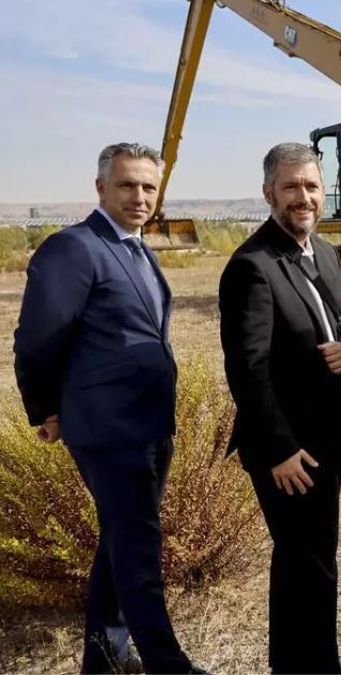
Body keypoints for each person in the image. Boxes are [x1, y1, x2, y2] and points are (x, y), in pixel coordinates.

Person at [13, 142, 203, 674]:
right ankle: (169, 666)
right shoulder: (74, 248)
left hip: (147, 424)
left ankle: (103, 658)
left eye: (148, 186)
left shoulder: (138, 250)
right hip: (109, 429)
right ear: (100, 187)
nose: (139, 196)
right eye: (126, 185)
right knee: (139, 551)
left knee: (120, 542)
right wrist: (45, 408)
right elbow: (36, 341)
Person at [219, 142, 341, 675]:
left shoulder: (321, 252)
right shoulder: (252, 266)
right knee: (303, 558)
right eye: (290, 187)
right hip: (287, 449)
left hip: (329, 436)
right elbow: (247, 370)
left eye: (311, 187)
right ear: (268, 194)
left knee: (316, 559)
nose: (302, 197)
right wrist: (280, 449)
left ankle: (314, 659)